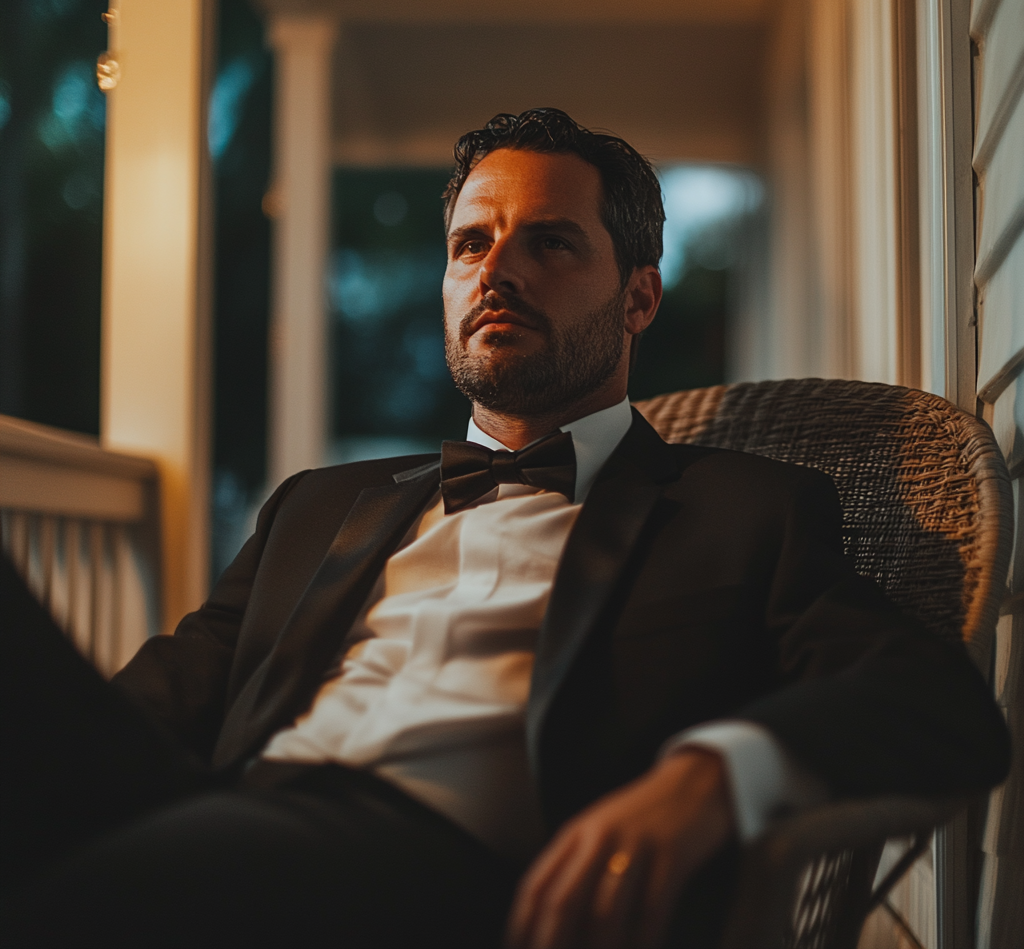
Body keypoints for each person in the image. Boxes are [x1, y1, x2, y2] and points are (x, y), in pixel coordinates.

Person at [0, 109, 1009, 949]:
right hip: (209, 812)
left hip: (451, 878)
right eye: (470, 243)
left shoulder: (744, 508)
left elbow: (933, 699)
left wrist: (714, 775)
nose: (496, 270)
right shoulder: (315, 503)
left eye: (550, 240)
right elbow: (158, 699)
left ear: (638, 296)